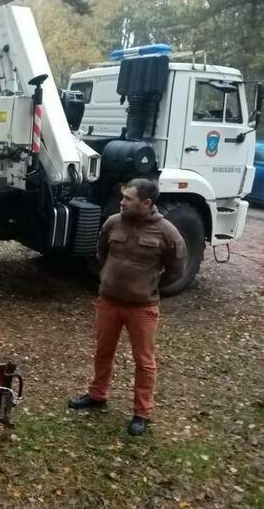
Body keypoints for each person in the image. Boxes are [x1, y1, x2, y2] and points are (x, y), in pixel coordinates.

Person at [68, 178, 186, 435]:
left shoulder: (167, 232)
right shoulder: (112, 223)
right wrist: (110, 280)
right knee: (103, 352)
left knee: (144, 362)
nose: (122, 202)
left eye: (128, 199)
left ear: (146, 203)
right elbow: (101, 254)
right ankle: (97, 395)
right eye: (123, 197)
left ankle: (142, 413)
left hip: (142, 307)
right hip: (108, 301)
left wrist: (150, 287)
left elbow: (177, 268)